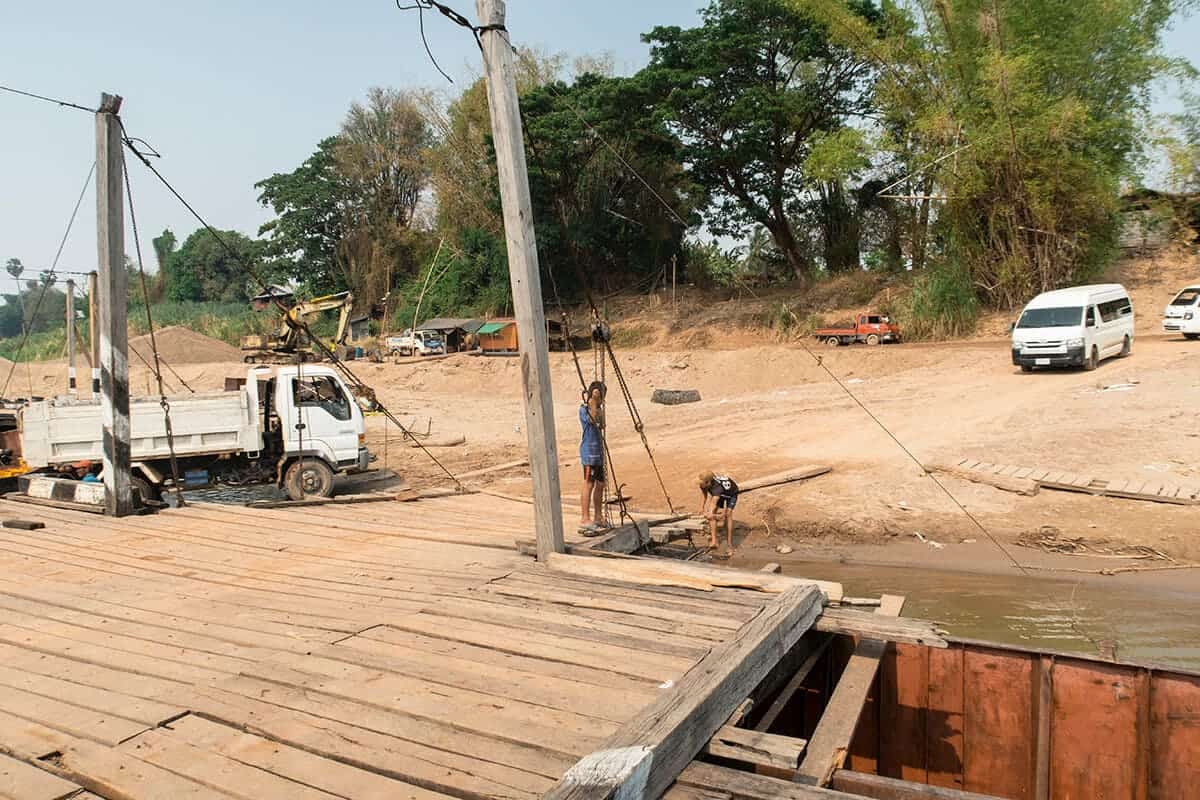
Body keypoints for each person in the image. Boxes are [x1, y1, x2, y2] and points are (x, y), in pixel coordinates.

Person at [579, 380, 607, 532]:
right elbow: (592, 419)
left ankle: (598, 516)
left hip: (598, 452)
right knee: (589, 483)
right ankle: (584, 518)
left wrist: (598, 406)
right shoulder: (584, 409)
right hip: (589, 453)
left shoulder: (599, 408)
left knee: (600, 484)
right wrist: (593, 403)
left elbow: (601, 424)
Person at [698, 471, 739, 556]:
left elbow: (713, 502)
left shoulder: (717, 488)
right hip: (719, 494)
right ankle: (714, 541)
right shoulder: (703, 484)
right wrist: (702, 508)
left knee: (728, 514)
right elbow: (704, 496)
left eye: (702, 483)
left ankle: (729, 545)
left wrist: (710, 513)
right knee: (712, 514)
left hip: (731, 494)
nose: (700, 485)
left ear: (708, 483)